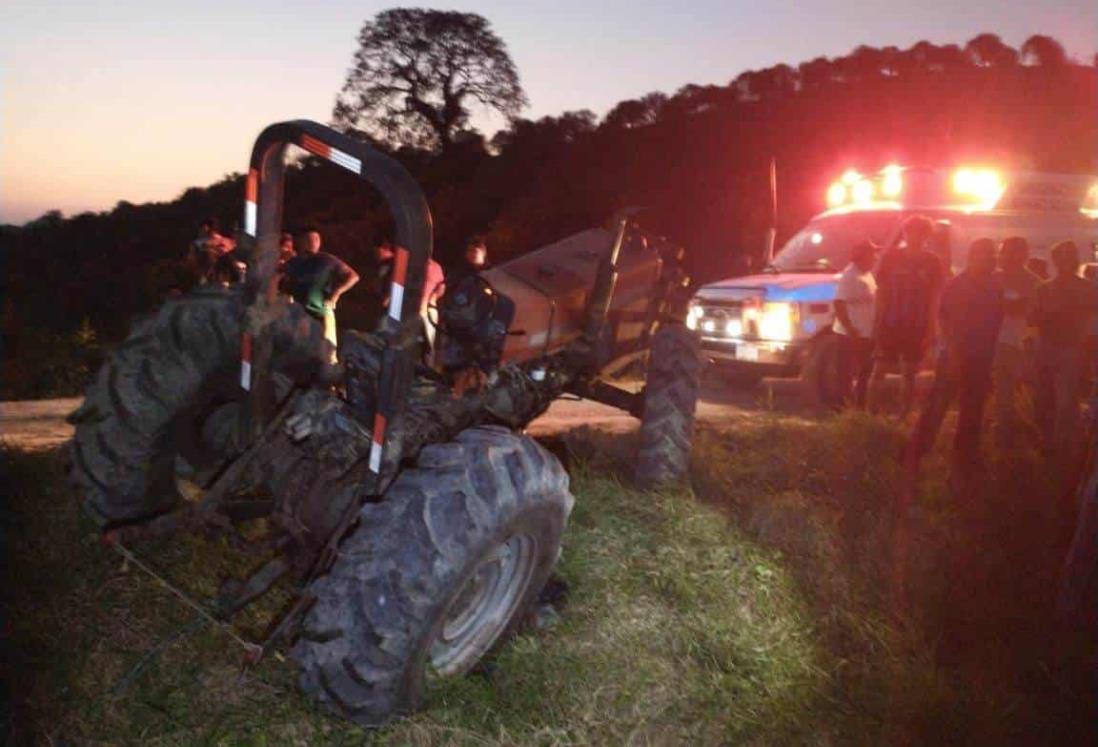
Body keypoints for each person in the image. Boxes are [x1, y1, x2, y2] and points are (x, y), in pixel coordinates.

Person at [908, 238, 1004, 468]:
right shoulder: (959, 285)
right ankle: (915, 453)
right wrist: (953, 353)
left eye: (994, 255)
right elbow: (946, 321)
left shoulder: (993, 285)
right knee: (938, 404)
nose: (993, 260)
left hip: (982, 356)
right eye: (988, 255)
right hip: (957, 356)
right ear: (974, 256)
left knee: (973, 408)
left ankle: (964, 457)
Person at [870, 215, 946, 416]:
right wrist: (877, 323)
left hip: (916, 324)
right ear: (905, 233)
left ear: (926, 236)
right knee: (879, 369)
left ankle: (904, 416)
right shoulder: (891, 258)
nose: (915, 237)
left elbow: (935, 298)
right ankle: (869, 415)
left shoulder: (933, 262)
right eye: (911, 232)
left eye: (921, 233)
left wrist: (932, 328)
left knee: (910, 373)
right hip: (891, 322)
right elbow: (881, 292)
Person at [1031, 241, 1098, 459]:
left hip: (1072, 348)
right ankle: (1051, 441)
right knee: (1045, 398)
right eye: (1061, 257)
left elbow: (1092, 321)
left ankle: (1064, 445)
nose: (1065, 261)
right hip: (1047, 346)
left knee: (1066, 400)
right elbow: (1034, 318)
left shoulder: (1088, 288)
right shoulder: (1044, 288)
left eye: (1069, 256)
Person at [991, 237, 1041, 447]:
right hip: (993, 341)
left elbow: (1026, 309)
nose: (1003, 256)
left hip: (1017, 343)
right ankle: (1003, 431)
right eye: (1003, 251)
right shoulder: (993, 277)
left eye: (1008, 252)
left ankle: (1016, 431)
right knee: (1001, 389)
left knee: (1017, 389)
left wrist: (1002, 305)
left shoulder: (1032, 281)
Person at [283, 228, 359, 356]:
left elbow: (353, 276)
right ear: (302, 241)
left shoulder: (327, 260)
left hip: (322, 313)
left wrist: (336, 294)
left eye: (317, 239)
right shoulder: (295, 262)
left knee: (328, 355)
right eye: (310, 239)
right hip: (301, 315)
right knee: (300, 353)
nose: (314, 242)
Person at [831, 240, 878, 409]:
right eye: (872, 254)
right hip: (851, 335)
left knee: (864, 373)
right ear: (862, 256)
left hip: (866, 334)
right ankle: (842, 410)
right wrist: (850, 328)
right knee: (845, 375)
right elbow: (839, 303)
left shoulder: (867, 275)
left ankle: (859, 408)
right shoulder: (850, 275)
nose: (875, 257)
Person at [187, 217, 233, 284]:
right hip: (202, 275)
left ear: (205, 227)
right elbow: (191, 259)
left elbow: (228, 257)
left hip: (222, 275)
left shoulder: (226, 242)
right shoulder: (197, 243)